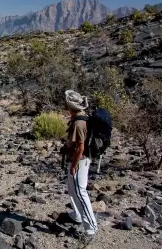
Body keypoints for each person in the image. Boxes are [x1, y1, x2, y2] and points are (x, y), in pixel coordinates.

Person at [63, 90, 98, 247]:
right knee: (72, 189)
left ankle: (91, 229)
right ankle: (77, 215)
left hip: (80, 161)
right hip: (78, 160)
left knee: (80, 192)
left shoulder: (78, 123)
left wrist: (73, 165)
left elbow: (80, 148)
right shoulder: (80, 116)